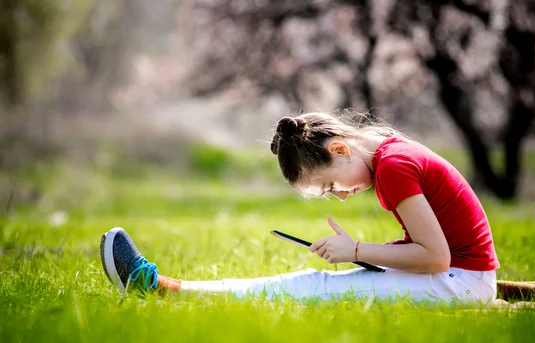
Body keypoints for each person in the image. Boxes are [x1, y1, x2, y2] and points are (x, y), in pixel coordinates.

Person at [100, 112, 499, 305]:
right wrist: (370, 254)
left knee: (316, 289)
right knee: (314, 285)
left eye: (330, 184)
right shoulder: (389, 153)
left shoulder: (393, 168)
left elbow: (435, 256)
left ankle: (164, 291)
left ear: (341, 149)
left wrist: (357, 251)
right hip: (462, 276)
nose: (340, 195)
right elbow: (435, 247)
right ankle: (173, 290)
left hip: (461, 282)